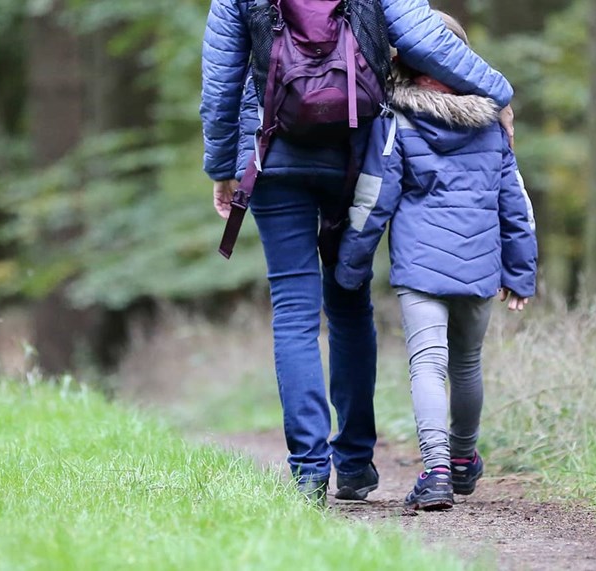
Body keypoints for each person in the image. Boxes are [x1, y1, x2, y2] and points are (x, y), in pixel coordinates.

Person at [201, 0, 516, 505]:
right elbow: (426, 41)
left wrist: (222, 166)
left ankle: (308, 470)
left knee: (294, 310)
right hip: (355, 154)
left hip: (272, 152)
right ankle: (353, 463)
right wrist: (498, 95)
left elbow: (221, 80)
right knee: (348, 303)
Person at [335, 11, 538, 511]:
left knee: (428, 365)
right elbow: (516, 204)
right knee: (467, 364)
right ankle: (465, 459)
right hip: (480, 264)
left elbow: (373, 198)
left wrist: (350, 266)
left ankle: (438, 470)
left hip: (421, 269)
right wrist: (520, 272)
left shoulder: (397, 121)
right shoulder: (492, 125)